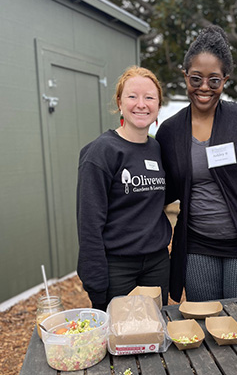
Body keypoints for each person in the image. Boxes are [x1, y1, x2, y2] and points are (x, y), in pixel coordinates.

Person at [156, 25, 237, 303]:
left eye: (214, 81)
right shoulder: (170, 131)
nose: (204, 88)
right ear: (185, 76)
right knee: (206, 321)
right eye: (196, 79)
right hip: (196, 247)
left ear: (225, 79)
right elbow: (163, 191)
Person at [77, 66, 172, 311]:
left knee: (154, 332)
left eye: (149, 97)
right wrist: (96, 285)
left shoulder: (158, 149)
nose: (141, 104)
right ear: (120, 103)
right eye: (132, 96)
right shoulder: (101, 152)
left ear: (158, 106)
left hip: (156, 264)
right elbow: (89, 224)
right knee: (120, 340)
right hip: (117, 268)